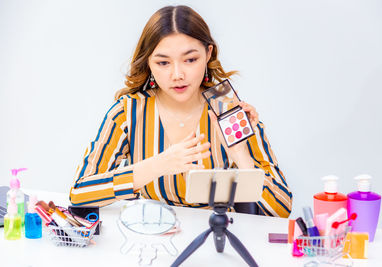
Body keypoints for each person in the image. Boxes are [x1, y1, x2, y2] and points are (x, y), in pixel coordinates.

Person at [69, 5, 292, 217]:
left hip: (218, 240)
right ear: (148, 63)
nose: (177, 75)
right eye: (163, 63)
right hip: (151, 238)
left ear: (208, 54)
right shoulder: (128, 111)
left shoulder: (226, 106)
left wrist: (241, 157)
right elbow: (79, 193)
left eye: (190, 59)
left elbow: (282, 208)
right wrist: (158, 165)